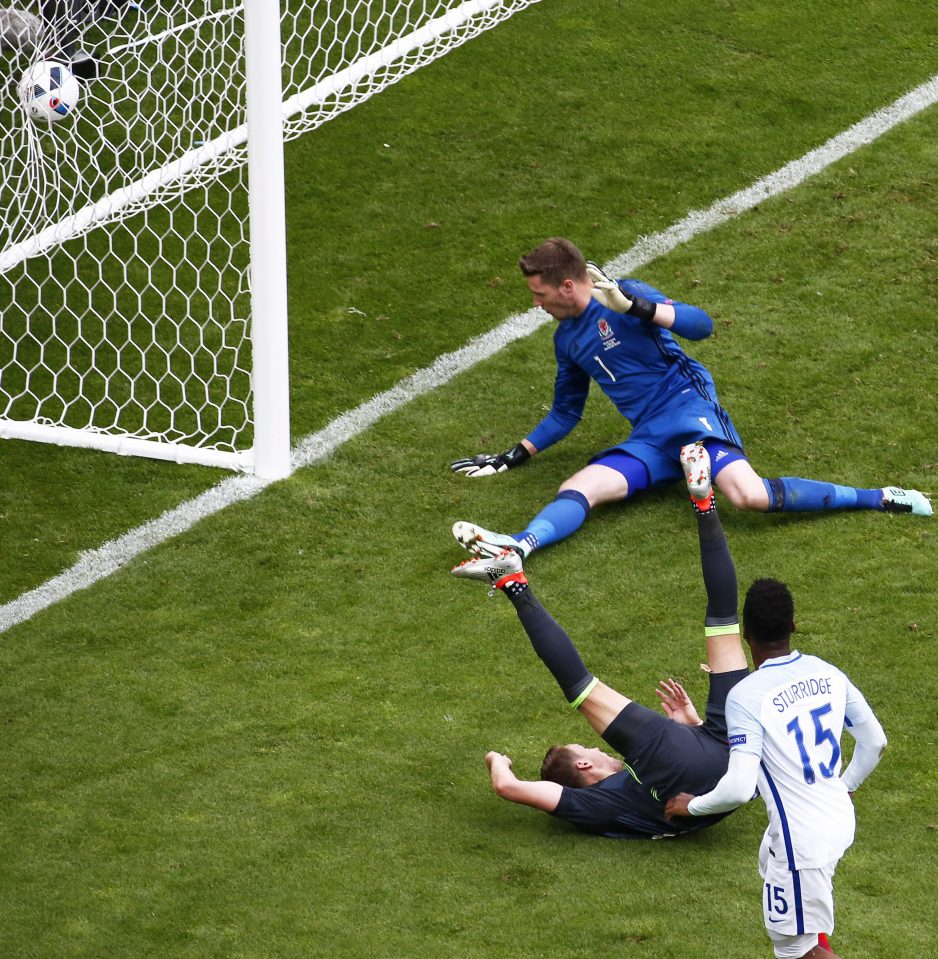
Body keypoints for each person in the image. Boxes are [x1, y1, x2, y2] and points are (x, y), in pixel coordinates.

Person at [450, 237, 931, 561]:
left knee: (749, 496)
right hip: (649, 436)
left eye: (539, 293)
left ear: (568, 285)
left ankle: (881, 498)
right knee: (581, 486)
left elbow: (702, 326)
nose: (535, 303)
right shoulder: (566, 341)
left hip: (687, 407)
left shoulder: (626, 295)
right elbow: (565, 411)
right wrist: (514, 455)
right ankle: (517, 548)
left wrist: (636, 306)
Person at [451, 443, 749, 839]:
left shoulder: (609, 808)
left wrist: (692, 725)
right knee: (581, 687)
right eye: (586, 750)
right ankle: (705, 504)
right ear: (585, 768)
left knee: (724, 622)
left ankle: (704, 502)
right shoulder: (597, 801)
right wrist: (495, 759)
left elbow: (711, 762)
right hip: (684, 767)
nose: (597, 749)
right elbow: (506, 786)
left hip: (730, 756)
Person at [664, 566, 887, 958]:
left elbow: (738, 787)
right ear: (794, 625)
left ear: (745, 633)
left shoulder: (747, 696)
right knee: (779, 878)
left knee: (800, 953)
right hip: (834, 821)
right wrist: (846, 786)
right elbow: (874, 742)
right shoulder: (828, 674)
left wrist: (690, 806)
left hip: (802, 843)